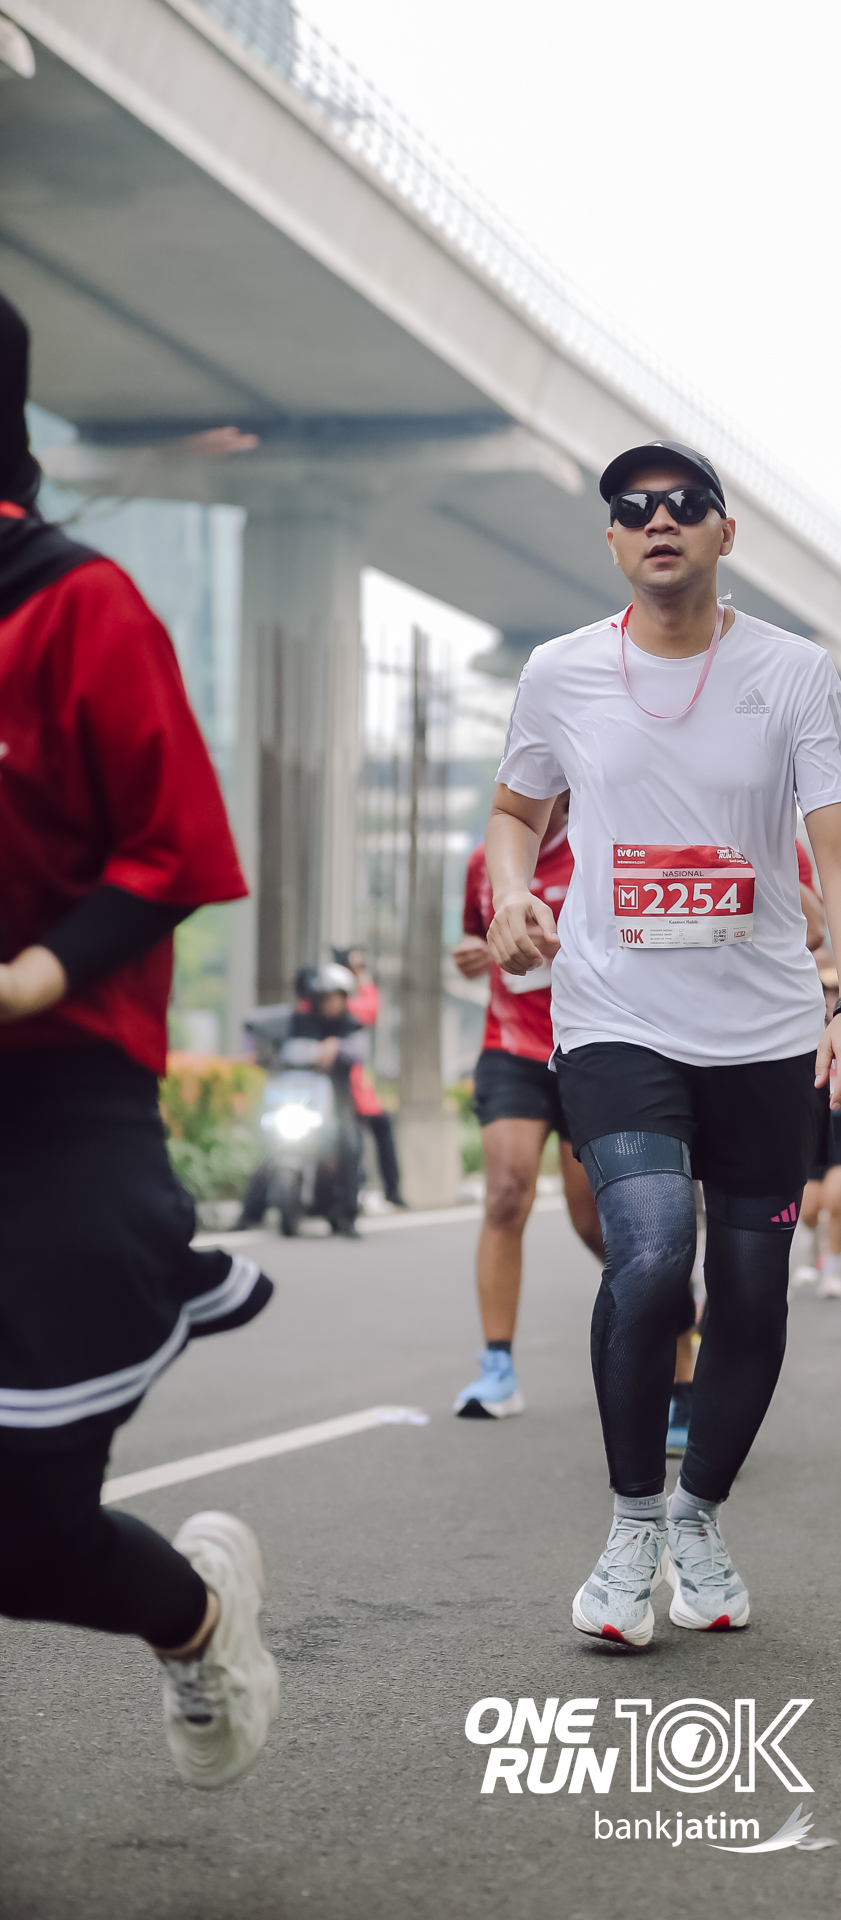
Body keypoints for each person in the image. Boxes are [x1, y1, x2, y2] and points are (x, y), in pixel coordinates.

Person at [485, 438, 841, 1644]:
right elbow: (515, 809)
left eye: (684, 504)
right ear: (611, 539)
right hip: (615, 1017)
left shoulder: (793, 674)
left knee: (752, 1289)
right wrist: (512, 890)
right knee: (652, 1250)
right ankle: (629, 1529)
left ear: (722, 532)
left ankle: (698, 1517)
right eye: (634, 507)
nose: (659, 519)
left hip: (762, 1030)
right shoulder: (560, 672)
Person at [0, 290, 278, 1788]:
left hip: (58, 1102)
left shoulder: (74, 604)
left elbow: (170, 846)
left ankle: (200, 1621)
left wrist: (29, 980)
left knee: (23, 1535)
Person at [450, 793, 607, 1417]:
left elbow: (625, 950)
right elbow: (475, 938)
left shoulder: (600, 851)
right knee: (505, 1193)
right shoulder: (483, 861)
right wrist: (471, 953)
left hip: (587, 1046)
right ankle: (497, 1369)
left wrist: (553, 945)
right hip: (510, 1047)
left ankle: (670, 1300)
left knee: (593, 1220)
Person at [279, 963, 368, 1237]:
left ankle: (348, 1215)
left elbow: (360, 1050)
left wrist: (338, 1047)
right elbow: (287, 1050)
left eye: (336, 997)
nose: (331, 1003)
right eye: (325, 997)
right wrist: (316, 1050)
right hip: (302, 1100)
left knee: (350, 1145)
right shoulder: (301, 1021)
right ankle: (251, 1211)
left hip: (338, 1104)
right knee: (269, 1144)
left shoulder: (351, 1024)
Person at [795, 964, 841, 1298]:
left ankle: (832, 1272)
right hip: (813, 1129)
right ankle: (815, 1244)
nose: (832, 996)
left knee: (834, 1202)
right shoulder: (803, 1033)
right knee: (809, 1210)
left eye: (837, 990)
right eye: (826, 990)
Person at [334, 945, 405, 1208]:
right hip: (332, 1089)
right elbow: (369, 1009)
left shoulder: (345, 1002)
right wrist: (362, 978)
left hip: (355, 1084)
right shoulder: (335, 1001)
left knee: (378, 1128)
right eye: (356, 967)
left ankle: (390, 1190)